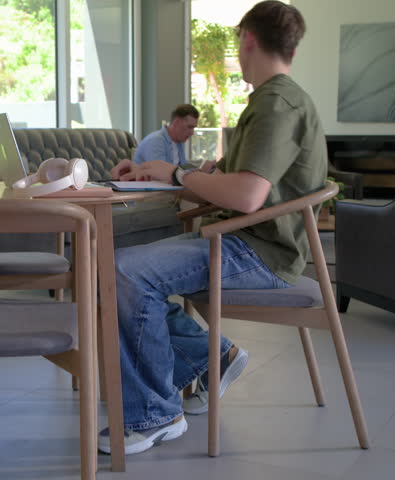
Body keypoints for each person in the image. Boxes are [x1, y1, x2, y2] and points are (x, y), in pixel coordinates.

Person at [98, 1, 327, 456]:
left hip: (259, 251)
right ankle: (213, 356)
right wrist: (162, 172)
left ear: (247, 40)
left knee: (125, 272)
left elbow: (246, 196)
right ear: (293, 50)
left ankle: (156, 413)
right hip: (247, 239)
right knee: (122, 271)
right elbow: (238, 185)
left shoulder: (276, 103)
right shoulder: (276, 99)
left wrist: (181, 176)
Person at [110, 104, 216, 179]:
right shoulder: (156, 141)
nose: (192, 132)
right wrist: (201, 174)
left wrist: (201, 170)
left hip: (167, 193)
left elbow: (181, 171)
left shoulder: (178, 143)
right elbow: (161, 177)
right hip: (150, 195)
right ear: (177, 122)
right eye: (189, 127)